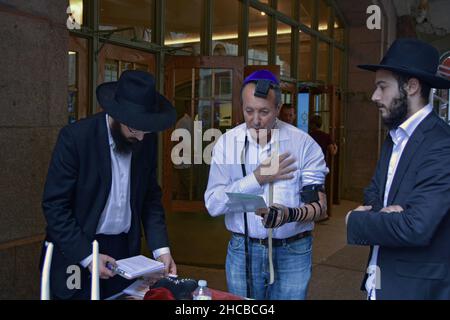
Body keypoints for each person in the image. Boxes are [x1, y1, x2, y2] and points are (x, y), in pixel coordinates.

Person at [40, 70, 178, 299]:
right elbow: (55, 206)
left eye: (146, 129)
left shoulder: (144, 138)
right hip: (76, 249)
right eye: (134, 129)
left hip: (124, 253)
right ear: (117, 116)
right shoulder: (75, 138)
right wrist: (87, 256)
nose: (142, 137)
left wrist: (161, 250)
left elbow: (150, 199)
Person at [204, 70, 329, 300]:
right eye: (249, 111)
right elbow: (213, 204)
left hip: (293, 251)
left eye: (264, 112)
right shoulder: (227, 144)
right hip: (243, 250)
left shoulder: (304, 145)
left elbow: (321, 209)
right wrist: (257, 178)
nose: (256, 120)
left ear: (278, 109)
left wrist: (287, 214)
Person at [346, 38, 450, 300]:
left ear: (412, 86)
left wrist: (354, 220)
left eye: (382, 87)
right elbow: (372, 194)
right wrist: (389, 215)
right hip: (379, 281)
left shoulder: (442, 143)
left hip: (414, 290)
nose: (374, 96)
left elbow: (416, 226)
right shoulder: (394, 136)